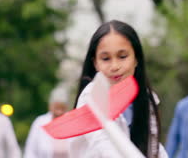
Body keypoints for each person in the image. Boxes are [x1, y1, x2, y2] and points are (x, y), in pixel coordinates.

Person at [70, 20, 168, 158]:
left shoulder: (145, 98)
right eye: (105, 58)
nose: (115, 66)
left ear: (136, 59)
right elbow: (103, 145)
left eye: (122, 57)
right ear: (95, 63)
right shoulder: (91, 97)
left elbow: (153, 147)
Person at [24, 88, 70, 158]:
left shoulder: (71, 122)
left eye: (62, 108)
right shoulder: (39, 122)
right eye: (57, 108)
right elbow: (30, 151)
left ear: (67, 107)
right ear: (50, 106)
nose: (59, 112)